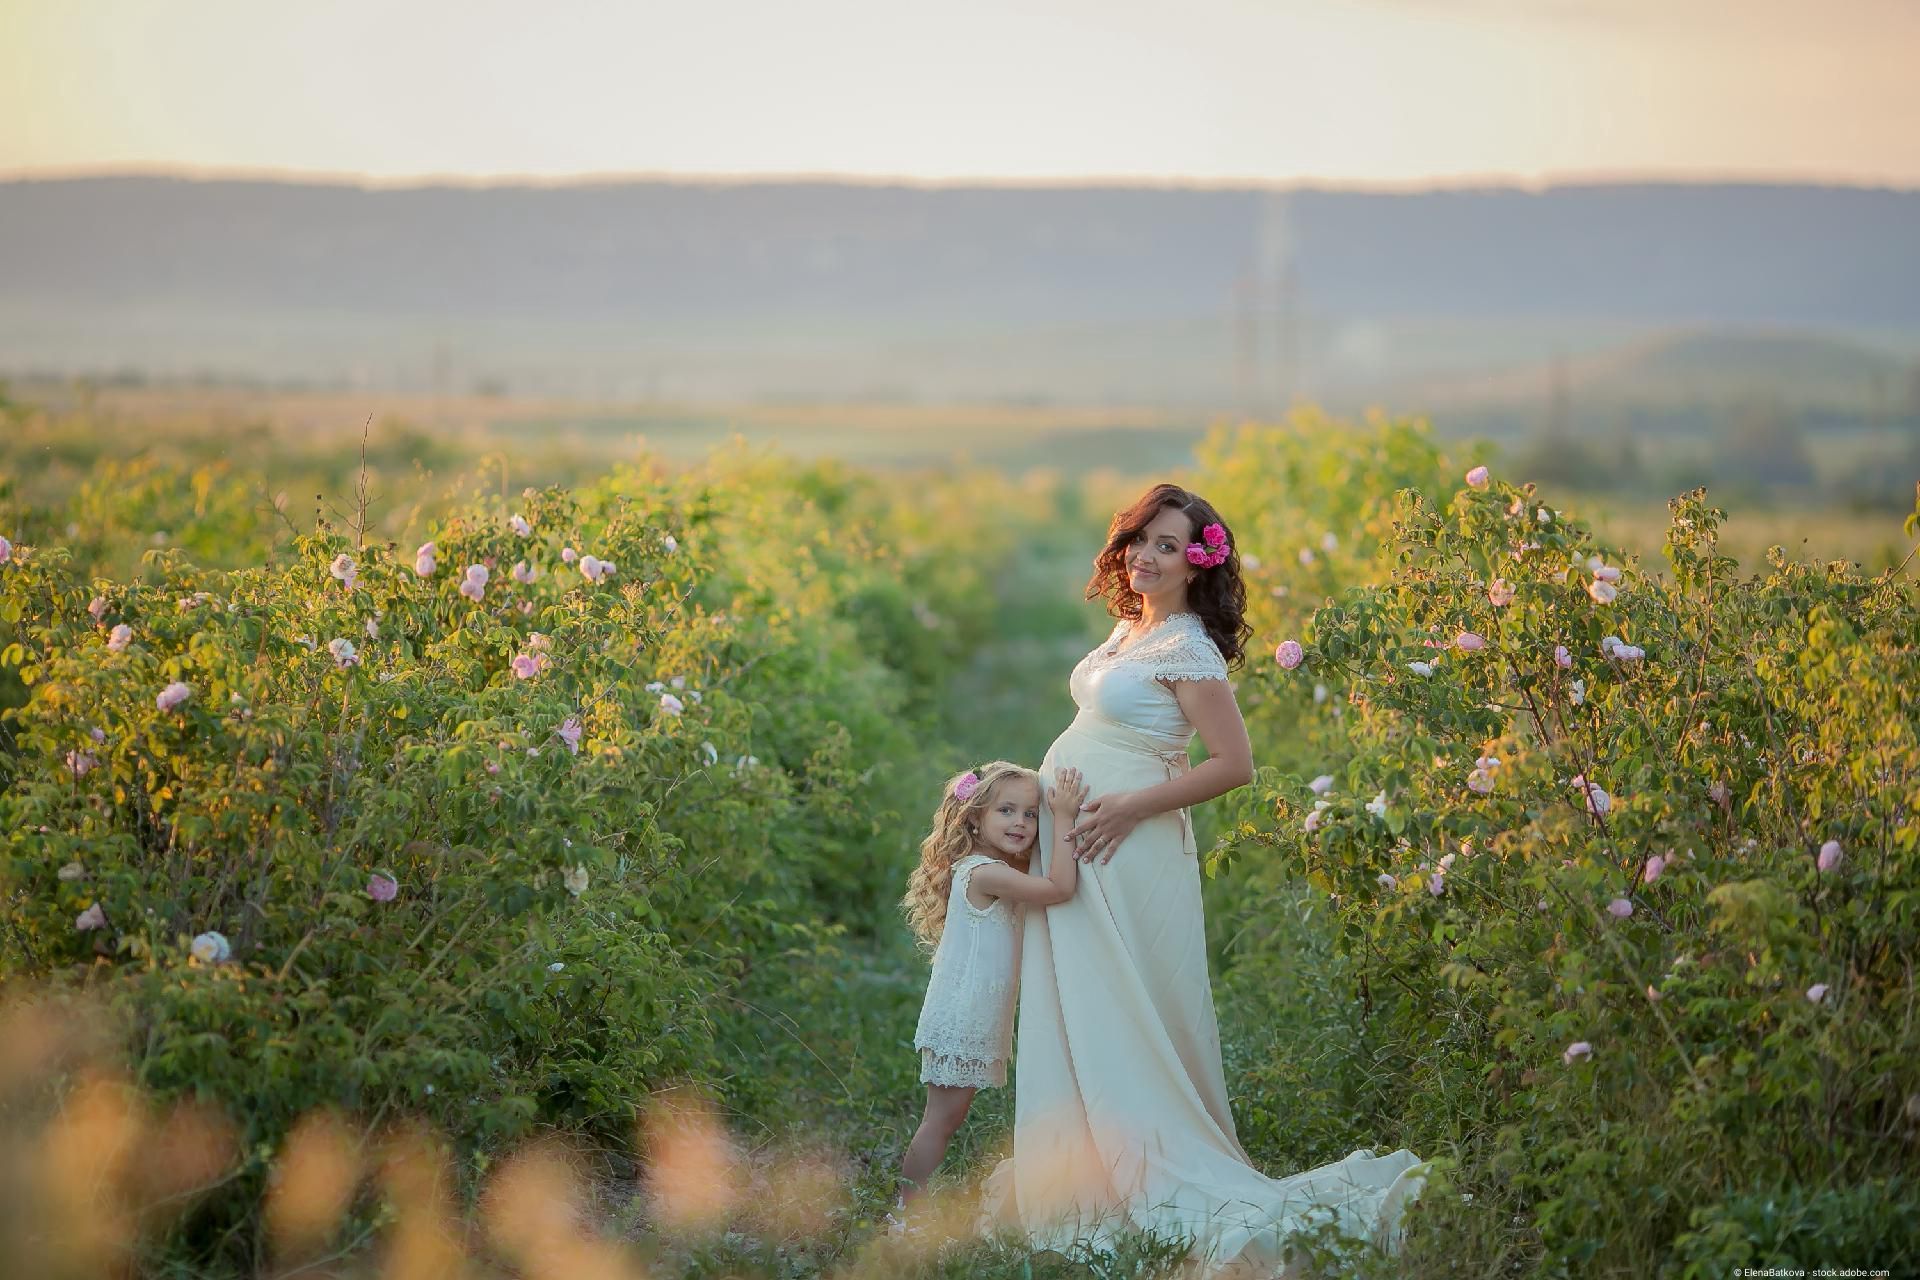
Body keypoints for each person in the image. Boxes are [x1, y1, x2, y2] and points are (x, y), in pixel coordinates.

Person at [981, 483, 1428, 1274]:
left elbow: (1236, 766)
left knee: (1127, 1008)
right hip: (1081, 844)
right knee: (1077, 1005)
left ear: (1197, 563)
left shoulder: (1187, 645)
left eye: (1166, 544)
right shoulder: (1130, 630)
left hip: (1128, 848)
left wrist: (1125, 810)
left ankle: (1151, 1167)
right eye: (1139, 539)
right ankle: (1085, 1169)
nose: (1145, 555)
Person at [894, 759, 1089, 1222]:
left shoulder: (994, 868)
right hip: (962, 1016)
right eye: (1006, 811)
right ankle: (901, 1213)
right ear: (975, 818)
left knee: (946, 1120)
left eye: (1030, 813)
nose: (1021, 823)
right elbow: (1060, 887)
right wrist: (1064, 815)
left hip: (976, 1015)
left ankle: (906, 1208)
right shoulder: (983, 873)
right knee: (940, 1122)